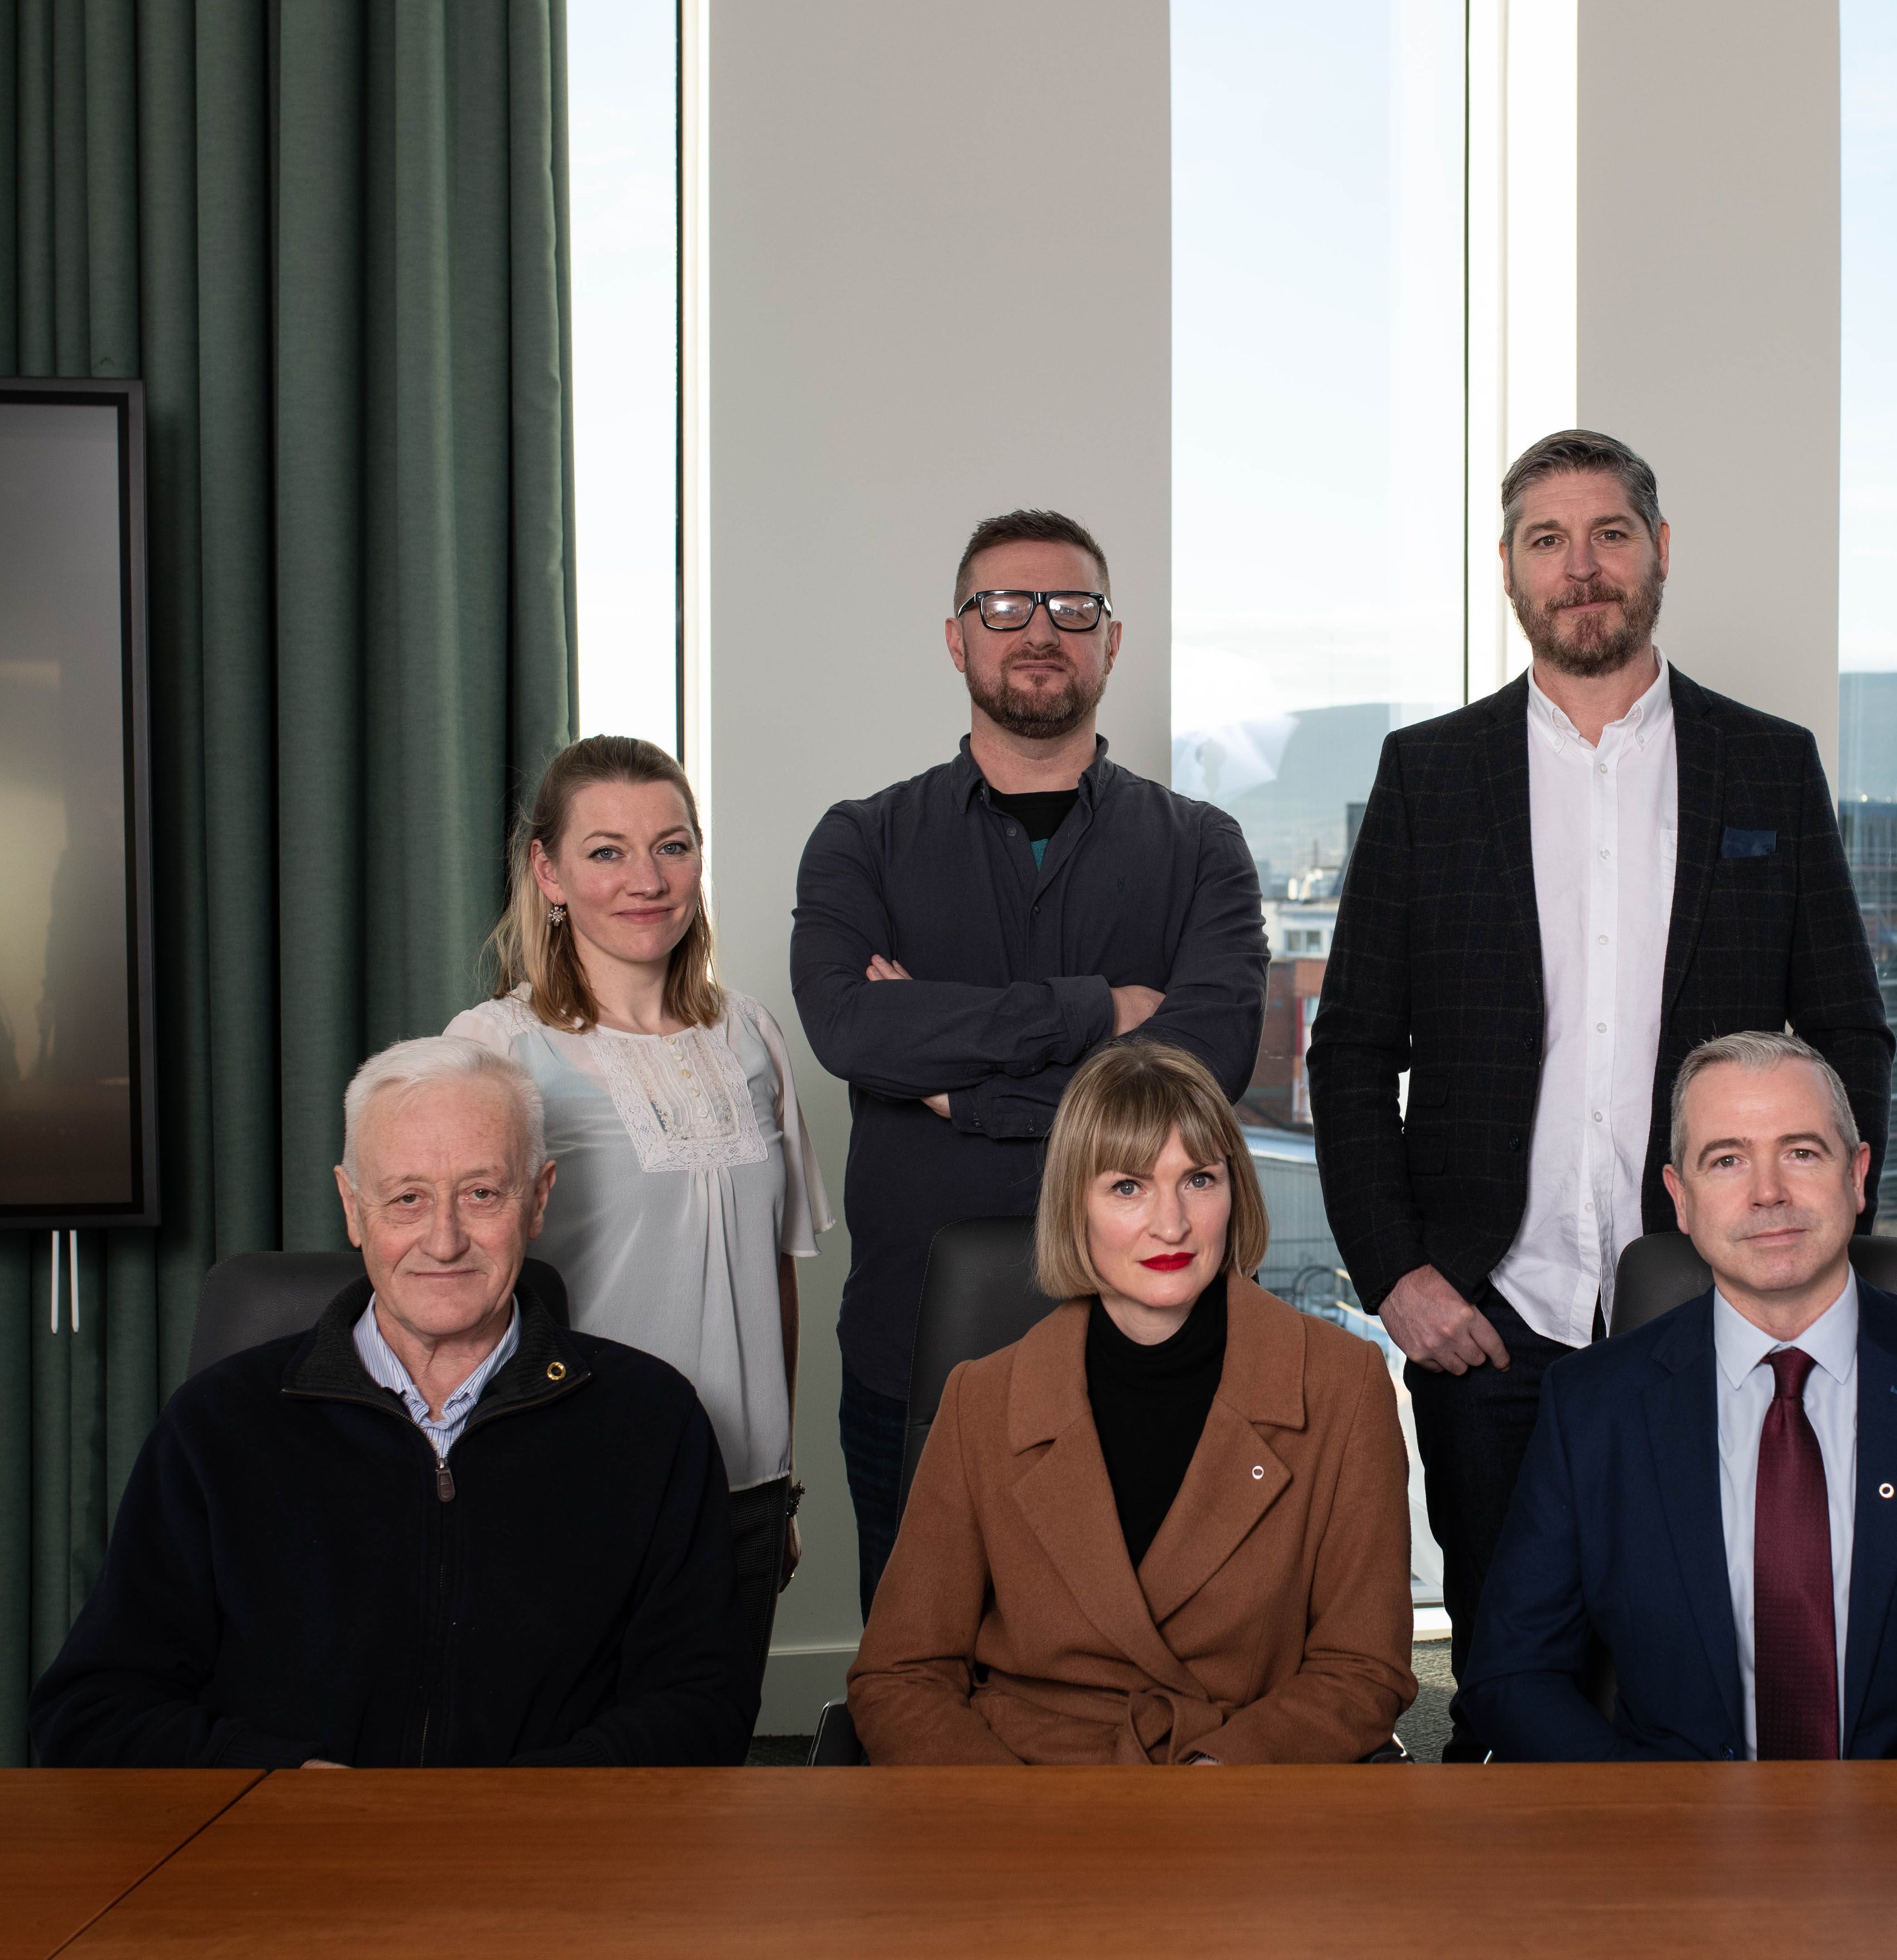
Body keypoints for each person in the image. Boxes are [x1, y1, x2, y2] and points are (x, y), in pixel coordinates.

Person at [1308, 429, 1893, 1759]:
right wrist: (1396, 1272)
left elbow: (1849, 1031)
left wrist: (1812, 1255)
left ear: (1659, 552)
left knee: (1700, 1672)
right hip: (1486, 1319)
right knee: (1509, 1681)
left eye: (1610, 534)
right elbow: (1346, 1055)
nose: (1583, 568)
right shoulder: (1428, 777)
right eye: (1546, 540)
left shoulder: (1765, 765)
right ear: (1509, 574)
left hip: (1704, 1308)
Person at [31, 1039, 751, 1767]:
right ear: (353, 1207)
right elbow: (95, 1710)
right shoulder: (216, 1425)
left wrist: (519, 1811)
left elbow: (703, 1702)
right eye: (407, 1198)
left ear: (537, 1200)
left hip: (551, 1862)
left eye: (482, 1194)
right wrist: (285, 1785)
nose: (443, 1241)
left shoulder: (652, 1421)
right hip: (287, 1861)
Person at [792, 508, 1267, 1611]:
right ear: (957, 639)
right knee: (923, 1659)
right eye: (1004, 606)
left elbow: (1209, 1067)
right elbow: (852, 1031)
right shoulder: (862, 839)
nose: (1039, 629)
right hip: (915, 1350)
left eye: (1072, 607)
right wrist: (1097, 1010)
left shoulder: (1202, 846)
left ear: (1114, 641)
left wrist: (961, 1086)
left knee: (1161, 1651)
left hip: (1157, 1339)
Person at [1464, 1032, 1897, 1760]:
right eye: (1727, 1160)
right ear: (1680, 1200)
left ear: (1858, 1176)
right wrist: (1653, 1821)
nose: (1768, 1192)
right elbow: (1512, 1676)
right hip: (1675, 1841)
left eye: (1801, 1153)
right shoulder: (1591, 1407)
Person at [848, 1038, 1415, 1762]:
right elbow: (901, 1674)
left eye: (1199, 1180)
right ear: (1074, 1205)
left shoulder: (1342, 1384)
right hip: (1031, 1795)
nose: (1171, 1224)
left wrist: (1217, 1784)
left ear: (1234, 1191)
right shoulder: (982, 1402)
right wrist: (1003, 1819)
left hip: (1242, 1789)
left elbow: (1363, 1666)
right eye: (1128, 1187)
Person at [446, 734, 828, 1707]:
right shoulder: (496, 1049)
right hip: (570, 1486)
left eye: (673, 845)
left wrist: (779, 1482)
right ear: (549, 870)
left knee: (715, 1795)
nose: (646, 879)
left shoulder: (751, 1036)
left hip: (739, 1493)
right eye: (607, 850)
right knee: (579, 1806)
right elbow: (448, 1290)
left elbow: (773, 1272)